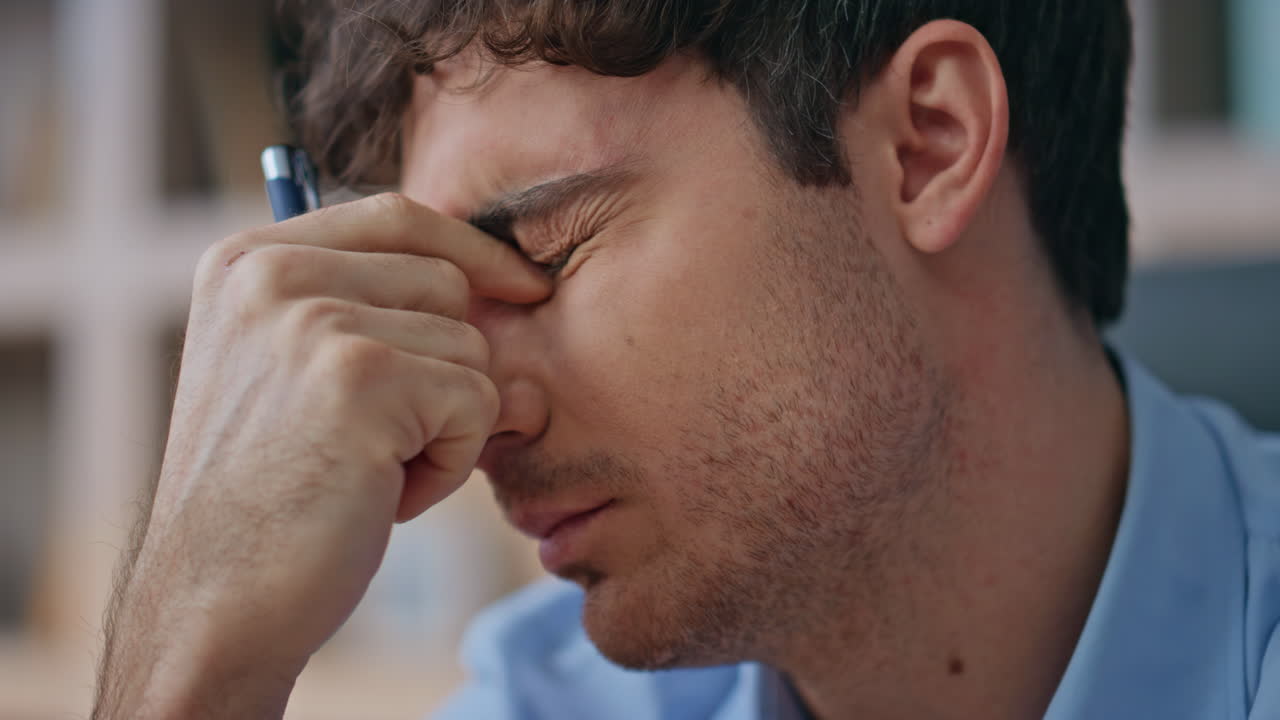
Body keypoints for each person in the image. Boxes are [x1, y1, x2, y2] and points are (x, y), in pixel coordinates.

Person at [92, 1, 1280, 718]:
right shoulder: (563, 697)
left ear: (925, 145)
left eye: (541, 251)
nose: (474, 415)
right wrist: (194, 659)